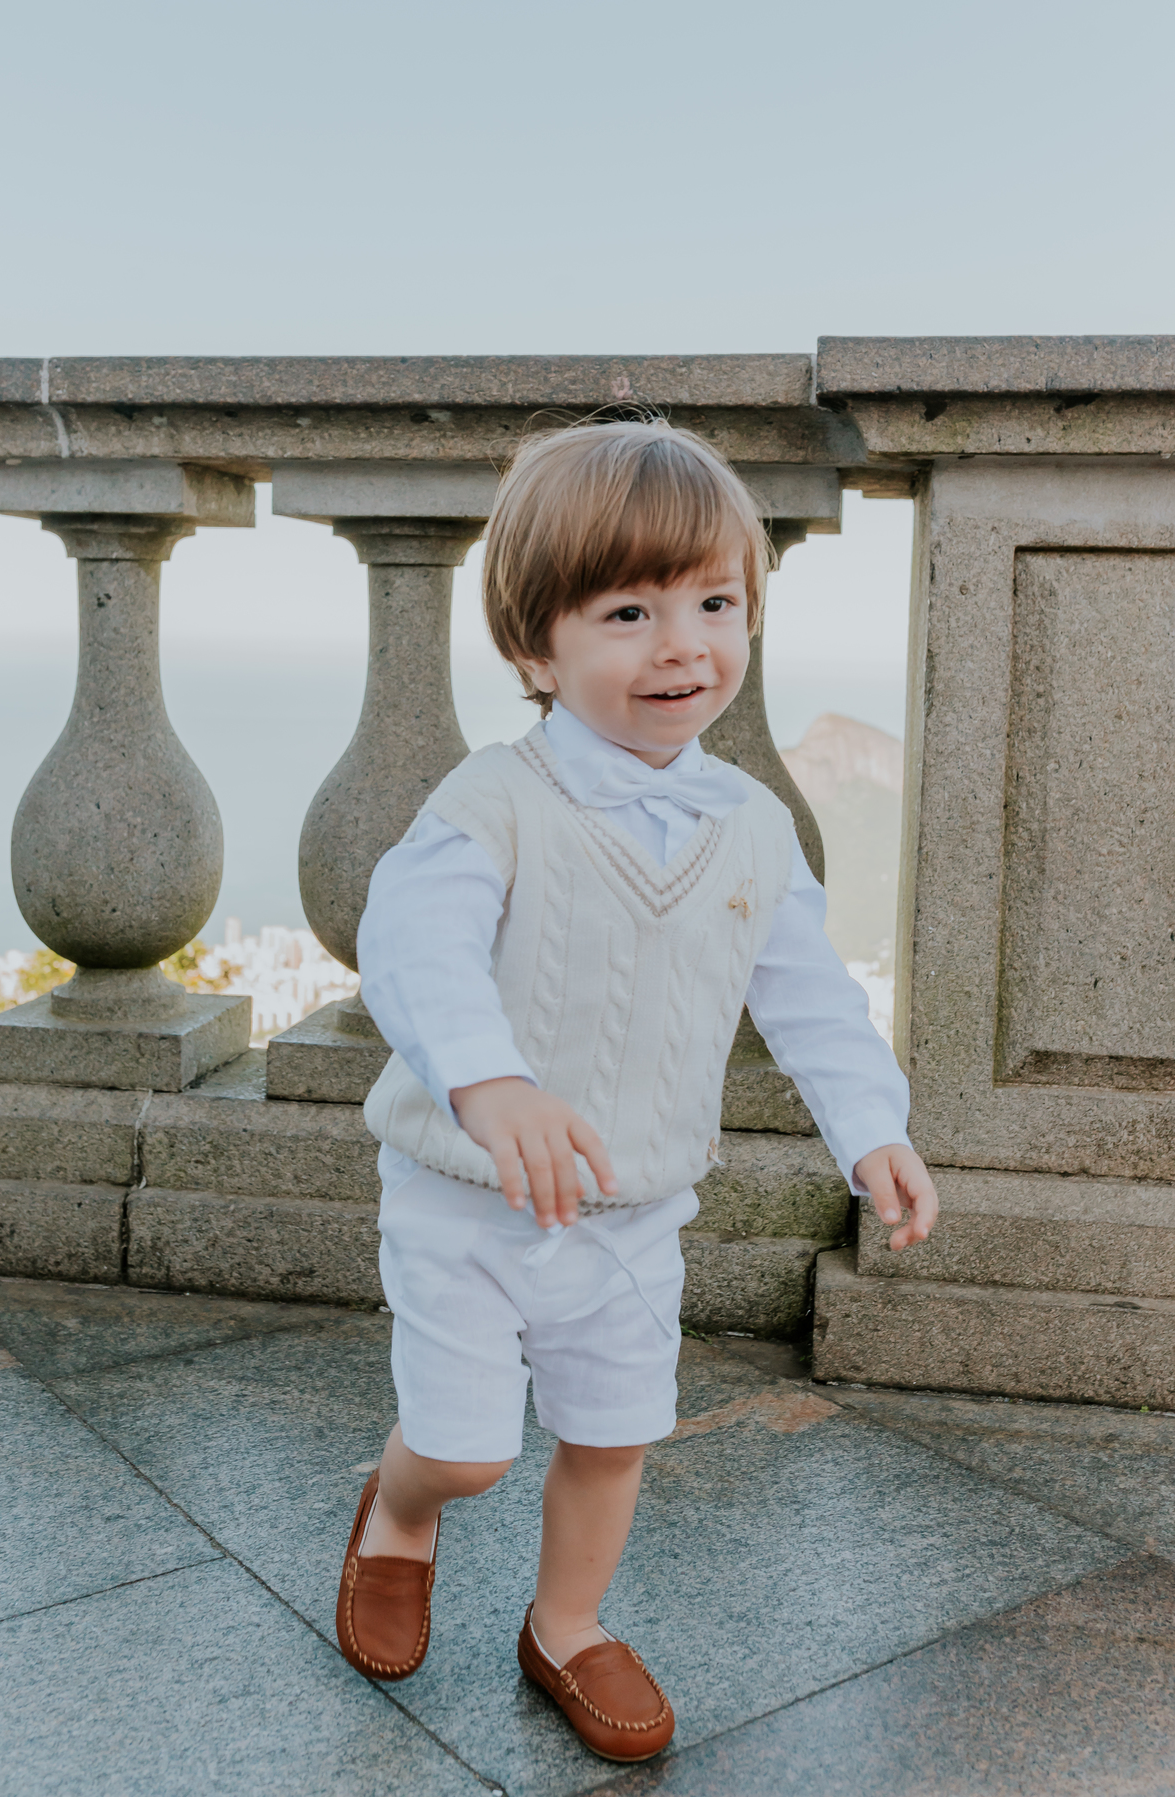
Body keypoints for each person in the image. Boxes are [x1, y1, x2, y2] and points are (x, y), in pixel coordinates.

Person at [334, 419, 938, 1764]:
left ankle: (568, 1621)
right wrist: (491, 1085)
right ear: (536, 649)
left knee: (613, 1435)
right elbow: (411, 942)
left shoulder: (753, 825)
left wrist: (874, 1127)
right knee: (471, 1444)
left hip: (632, 1208)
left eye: (716, 603)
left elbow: (809, 996)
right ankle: (403, 1505)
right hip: (465, 1200)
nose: (684, 645)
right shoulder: (495, 800)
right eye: (629, 610)